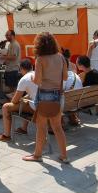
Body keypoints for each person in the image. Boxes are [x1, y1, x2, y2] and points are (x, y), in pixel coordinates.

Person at [22, 32, 68, 163]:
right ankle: (64, 156)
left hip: (44, 96)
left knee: (41, 127)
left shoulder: (40, 59)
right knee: (57, 127)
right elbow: (65, 77)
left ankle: (37, 155)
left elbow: (37, 81)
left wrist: (32, 77)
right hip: (58, 95)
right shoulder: (60, 57)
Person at [0, 59, 37, 142]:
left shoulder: (24, 79)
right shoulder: (37, 74)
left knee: (6, 107)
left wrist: (14, 100)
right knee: (25, 101)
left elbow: (14, 100)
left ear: (21, 69)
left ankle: (6, 135)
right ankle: (23, 129)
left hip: (37, 107)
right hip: (46, 104)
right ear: (31, 67)